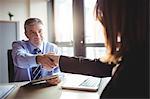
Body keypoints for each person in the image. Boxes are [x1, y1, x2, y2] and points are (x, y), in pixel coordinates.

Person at [47, 0, 149, 98]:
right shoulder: (136, 52)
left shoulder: (136, 64)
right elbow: (100, 66)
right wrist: (59, 59)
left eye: (105, 20)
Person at [12, 18, 61, 85]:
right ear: (26, 34)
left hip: (46, 87)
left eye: (40, 31)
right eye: (32, 32)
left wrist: (57, 78)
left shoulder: (53, 48)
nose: (37, 35)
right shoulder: (18, 45)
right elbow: (19, 59)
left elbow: (59, 72)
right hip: (22, 88)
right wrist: (38, 59)